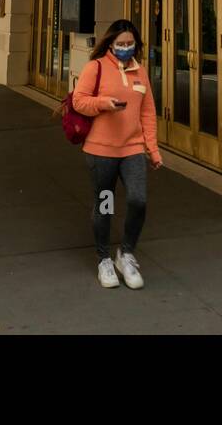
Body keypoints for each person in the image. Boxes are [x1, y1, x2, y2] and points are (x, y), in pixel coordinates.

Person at [72, 18, 162, 290]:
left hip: (132, 149)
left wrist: (153, 149)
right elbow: (79, 100)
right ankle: (104, 258)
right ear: (110, 44)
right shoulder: (95, 68)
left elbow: (147, 112)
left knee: (138, 200)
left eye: (130, 43)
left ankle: (126, 252)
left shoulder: (140, 71)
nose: (126, 48)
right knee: (106, 203)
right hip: (102, 152)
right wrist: (103, 104)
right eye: (120, 44)